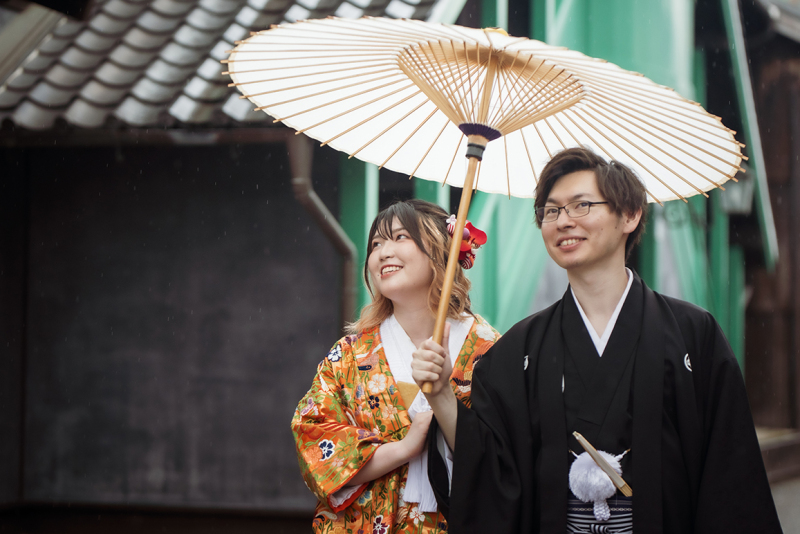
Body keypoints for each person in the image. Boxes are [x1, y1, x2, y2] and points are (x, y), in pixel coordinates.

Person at [412, 147, 782, 533]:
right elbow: (489, 467)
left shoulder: (692, 335)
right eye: (551, 211)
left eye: (581, 205)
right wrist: (441, 395)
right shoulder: (518, 350)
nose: (563, 221)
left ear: (630, 214)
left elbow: (730, 474)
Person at [292, 199, 500, 533]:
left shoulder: (490, 350)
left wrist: (445, 401)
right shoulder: (350, 354)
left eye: (400, 237)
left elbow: (503, 457)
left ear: (440, 250)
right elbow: (313, 438)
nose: (383, 252)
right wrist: (403, 448)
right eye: (376, 243)